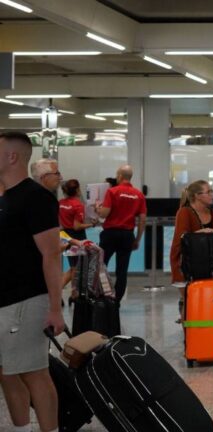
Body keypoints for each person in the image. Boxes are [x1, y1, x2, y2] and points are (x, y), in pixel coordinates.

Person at [0, 131, 66, 432]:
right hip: (5, 299)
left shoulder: (35, 198)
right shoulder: (5, 198)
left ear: (12, 156)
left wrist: (55, 308)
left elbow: (51, 255)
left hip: (27, 299)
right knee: (7, 372)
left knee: (34, 373)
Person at [169, 180, 213, 322]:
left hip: (207, 265)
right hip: (183, 264)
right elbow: (182, 238)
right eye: (209, 192)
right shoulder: (184, 212)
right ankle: (189, 336)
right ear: (198, 196)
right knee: (189, 300)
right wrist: (201, 232)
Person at [95, 165, 146, 304]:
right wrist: (137, 239)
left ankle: (101, 297)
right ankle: (116, 302)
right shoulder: (139, 195)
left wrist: (97, 209)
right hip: (127, 235)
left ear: (119, 176)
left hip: (110, 234)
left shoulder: (112, 192)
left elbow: (104, 214)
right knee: (122, 271)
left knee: (100, 265)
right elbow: (142, 220)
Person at [59, 179, 97, 302]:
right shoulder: (78, 205)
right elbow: (76, 226)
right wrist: (91, 225)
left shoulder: (60, 203)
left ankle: (60, 291)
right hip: (76, 236)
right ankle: (73, 293)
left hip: (65, 236)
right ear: (76, 190)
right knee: (76, 267)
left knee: (73, 267)